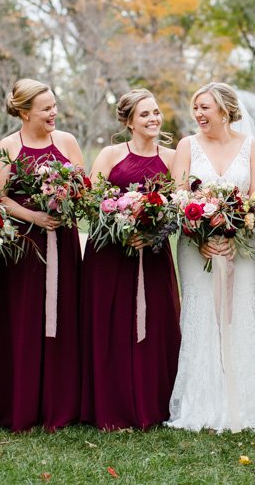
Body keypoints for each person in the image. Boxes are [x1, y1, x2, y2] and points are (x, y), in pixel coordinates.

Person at [166, 82, 255, 432]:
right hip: (194, 245)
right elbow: (178, 196)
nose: (198, 114)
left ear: (226, 110)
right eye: (196, 107)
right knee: (201, 313)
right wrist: (200, 235)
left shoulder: (251, 147)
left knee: (239, 313)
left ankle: (245, 404)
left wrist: (234, 234)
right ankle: (200, 404)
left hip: (241, 246)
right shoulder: (186, 146)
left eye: (206, 107)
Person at [80, 89, 181, 430]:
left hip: (152, 254)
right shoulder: (109, 155)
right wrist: (121, 228)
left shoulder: (171, 158)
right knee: (112, 326)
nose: (154, 119)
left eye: (156, 112)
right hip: (109, 254)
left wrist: (152, 233)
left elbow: (178, 207)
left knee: (155, 325)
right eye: (145, 115)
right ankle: (113, 404)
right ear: (127, 121)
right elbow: (91, 203)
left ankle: (154, 404)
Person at [0, 79, 85, 431]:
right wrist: (33, 215)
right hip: (24, 247)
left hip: (62, 239)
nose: (53, 113)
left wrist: (67, 200)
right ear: (24, 111)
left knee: (64, 317)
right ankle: (24, 404)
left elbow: (84, 185)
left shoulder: (67, 141)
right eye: (46, 108)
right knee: (24, 320)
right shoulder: (7, 146)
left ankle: (61, 405)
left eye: (55, 106)